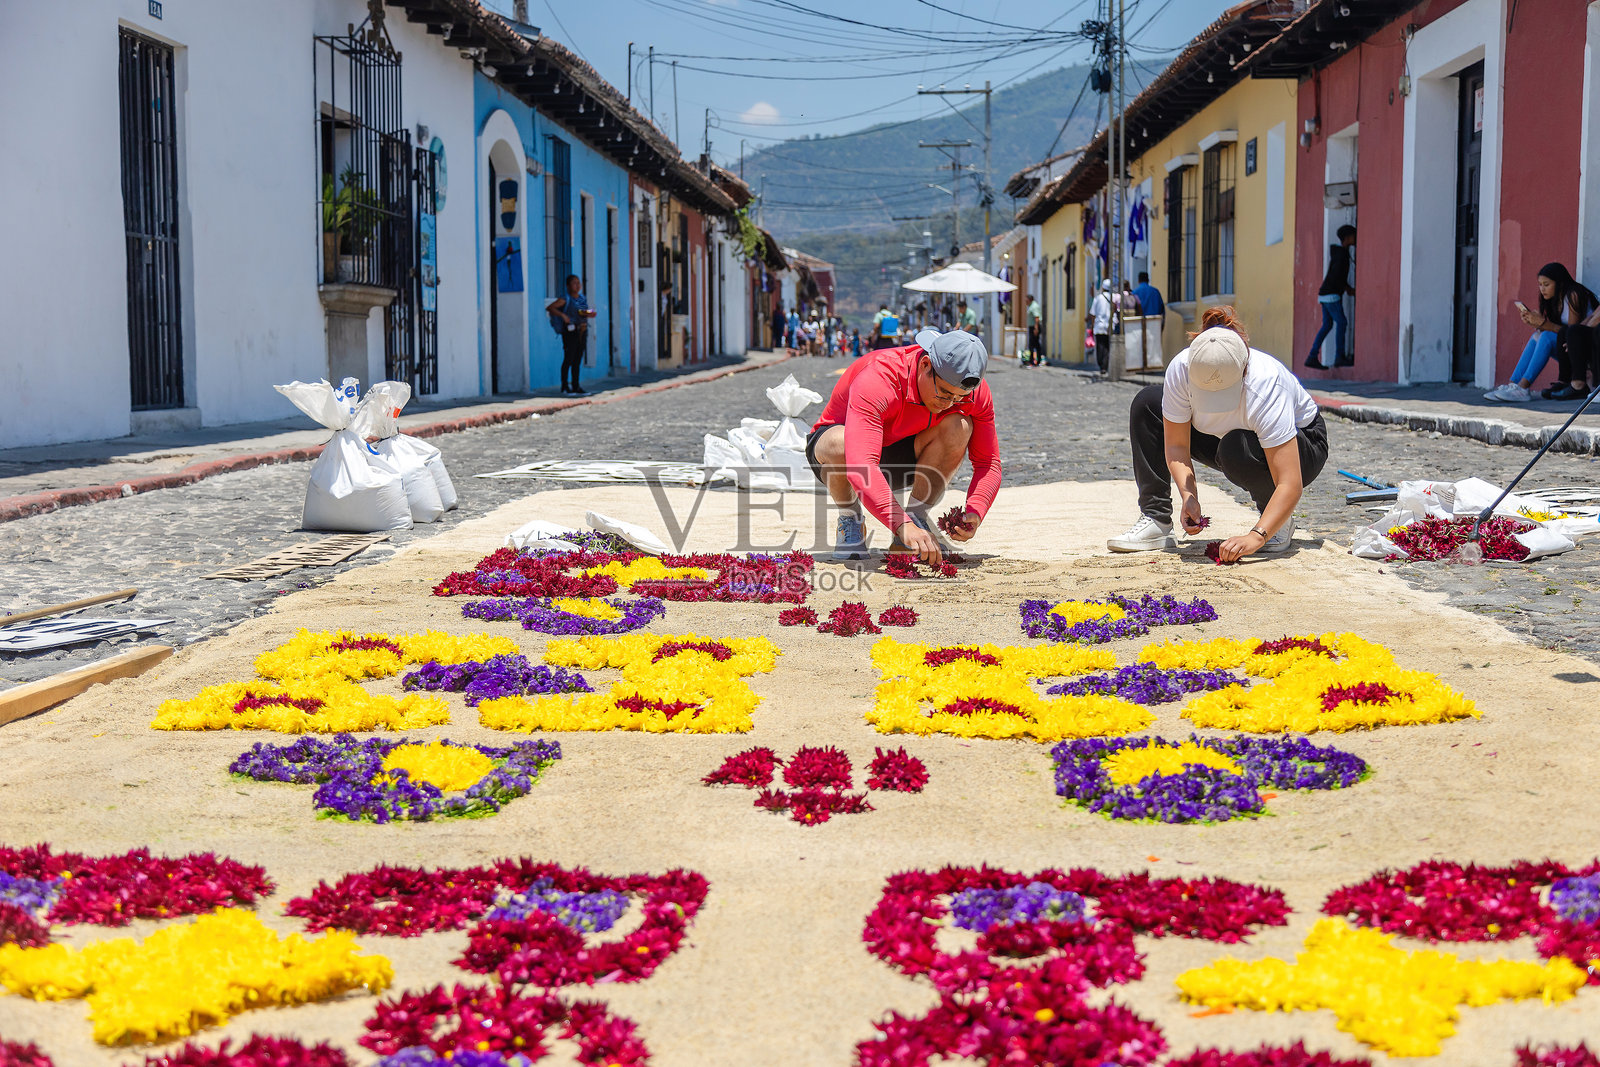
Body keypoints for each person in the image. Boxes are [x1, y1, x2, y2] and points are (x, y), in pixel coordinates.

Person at [1109, 306, 1329, 562]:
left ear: (1244, 370)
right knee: (1148, 403)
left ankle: (1277, 522)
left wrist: (1257, 536)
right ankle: (1156, 520)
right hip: (1223, 438)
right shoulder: (1181, 368)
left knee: (1236, 447)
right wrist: (1189, 496)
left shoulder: (1266, 384)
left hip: (1303, 446)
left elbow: (1290, 483)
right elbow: (1177, 447)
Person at [806, 328, 1001, 563]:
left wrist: (976, 510)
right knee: (842, 442)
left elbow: (988, 462)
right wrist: (899, 524)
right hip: (844, 458)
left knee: (959, 425)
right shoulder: (880, 377)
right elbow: (862, 464)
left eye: (959, 398)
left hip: (903, 453)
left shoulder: (971, 392)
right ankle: (850, 519)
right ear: (926, 365)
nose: (950, 403)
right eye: (945, 394)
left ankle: (916, 518)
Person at [1486, 264, 1599, 402]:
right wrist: (1536, 323)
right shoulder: (1553, 300)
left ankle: (1523, 387)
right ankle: (1514, 384)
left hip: (1586, 352)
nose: (1542, 289)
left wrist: (1544, 324)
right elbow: (1560, 332)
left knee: (1545, 336)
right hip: (1568, 349)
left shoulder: (1573, 295)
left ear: (1560, 283)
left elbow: (1571, 334)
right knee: (1537, 336)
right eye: (1540, 284)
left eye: (1546, 284)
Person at [1306, 225, 1357, 369]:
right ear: (1347, 238)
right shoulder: (1342, 256)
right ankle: (1339, 357)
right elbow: (1337, 276)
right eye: (1353, 235)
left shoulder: (1339, 253)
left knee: (1327, 325)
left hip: (1325, 293)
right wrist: (1347, 289)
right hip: (1332, 295)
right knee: (1342, 323)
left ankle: (1312, 355)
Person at [548, 274, 595, 395]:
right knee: (568, 358)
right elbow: (551, 308)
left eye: (579, 283)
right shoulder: (565, 299)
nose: (577, 285)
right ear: (568, 285)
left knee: (577, 360)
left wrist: (588, 313)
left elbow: (582, 312)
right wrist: (563, 315)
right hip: (570, 332)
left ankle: (576, 386)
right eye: (574, 283)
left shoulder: (582, 298)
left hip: (582, 331)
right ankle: (564, 385)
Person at [1089, 279, 1115, 373]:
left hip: (1099, 325)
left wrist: (1092, 326)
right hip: (1109, 326)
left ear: (1103, 287)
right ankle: (1105, 366)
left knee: (1100, 346)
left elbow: (1093, 313)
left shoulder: (1098, 298)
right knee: (1107, 347)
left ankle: (1101, 366)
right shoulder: (1113, 298)